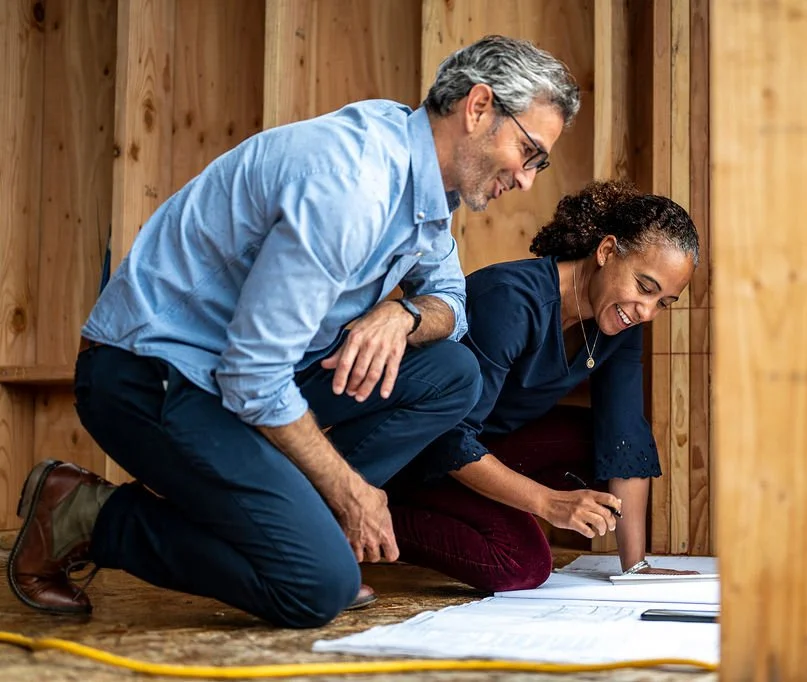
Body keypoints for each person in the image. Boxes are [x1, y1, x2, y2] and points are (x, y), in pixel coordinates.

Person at [6, 35, 580, 628]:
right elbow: (253, 374)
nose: (527, 179)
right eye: (529, 152)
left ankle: (295, 536)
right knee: (316, 588)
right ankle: (88, 515)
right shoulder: (352, 186)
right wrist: (350, 492)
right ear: (479, 107)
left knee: (450, 375)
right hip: (151, 375)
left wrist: (403, 315)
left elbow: (453, 304)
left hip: (237, 375)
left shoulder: (423, 176)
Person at [385, 180, 699, 591]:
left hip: (487, 448)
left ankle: (471, 511)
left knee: (600, 441)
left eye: (663, 303)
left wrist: (635, 567)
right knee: (522, 565)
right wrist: (549, 503)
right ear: (606, 252)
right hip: (417, 457)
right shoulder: (510, 300)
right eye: (645, 287)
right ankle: (373, 517)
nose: (647, 312)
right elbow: (449, 439)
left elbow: (624, 435)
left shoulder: (620, 320)